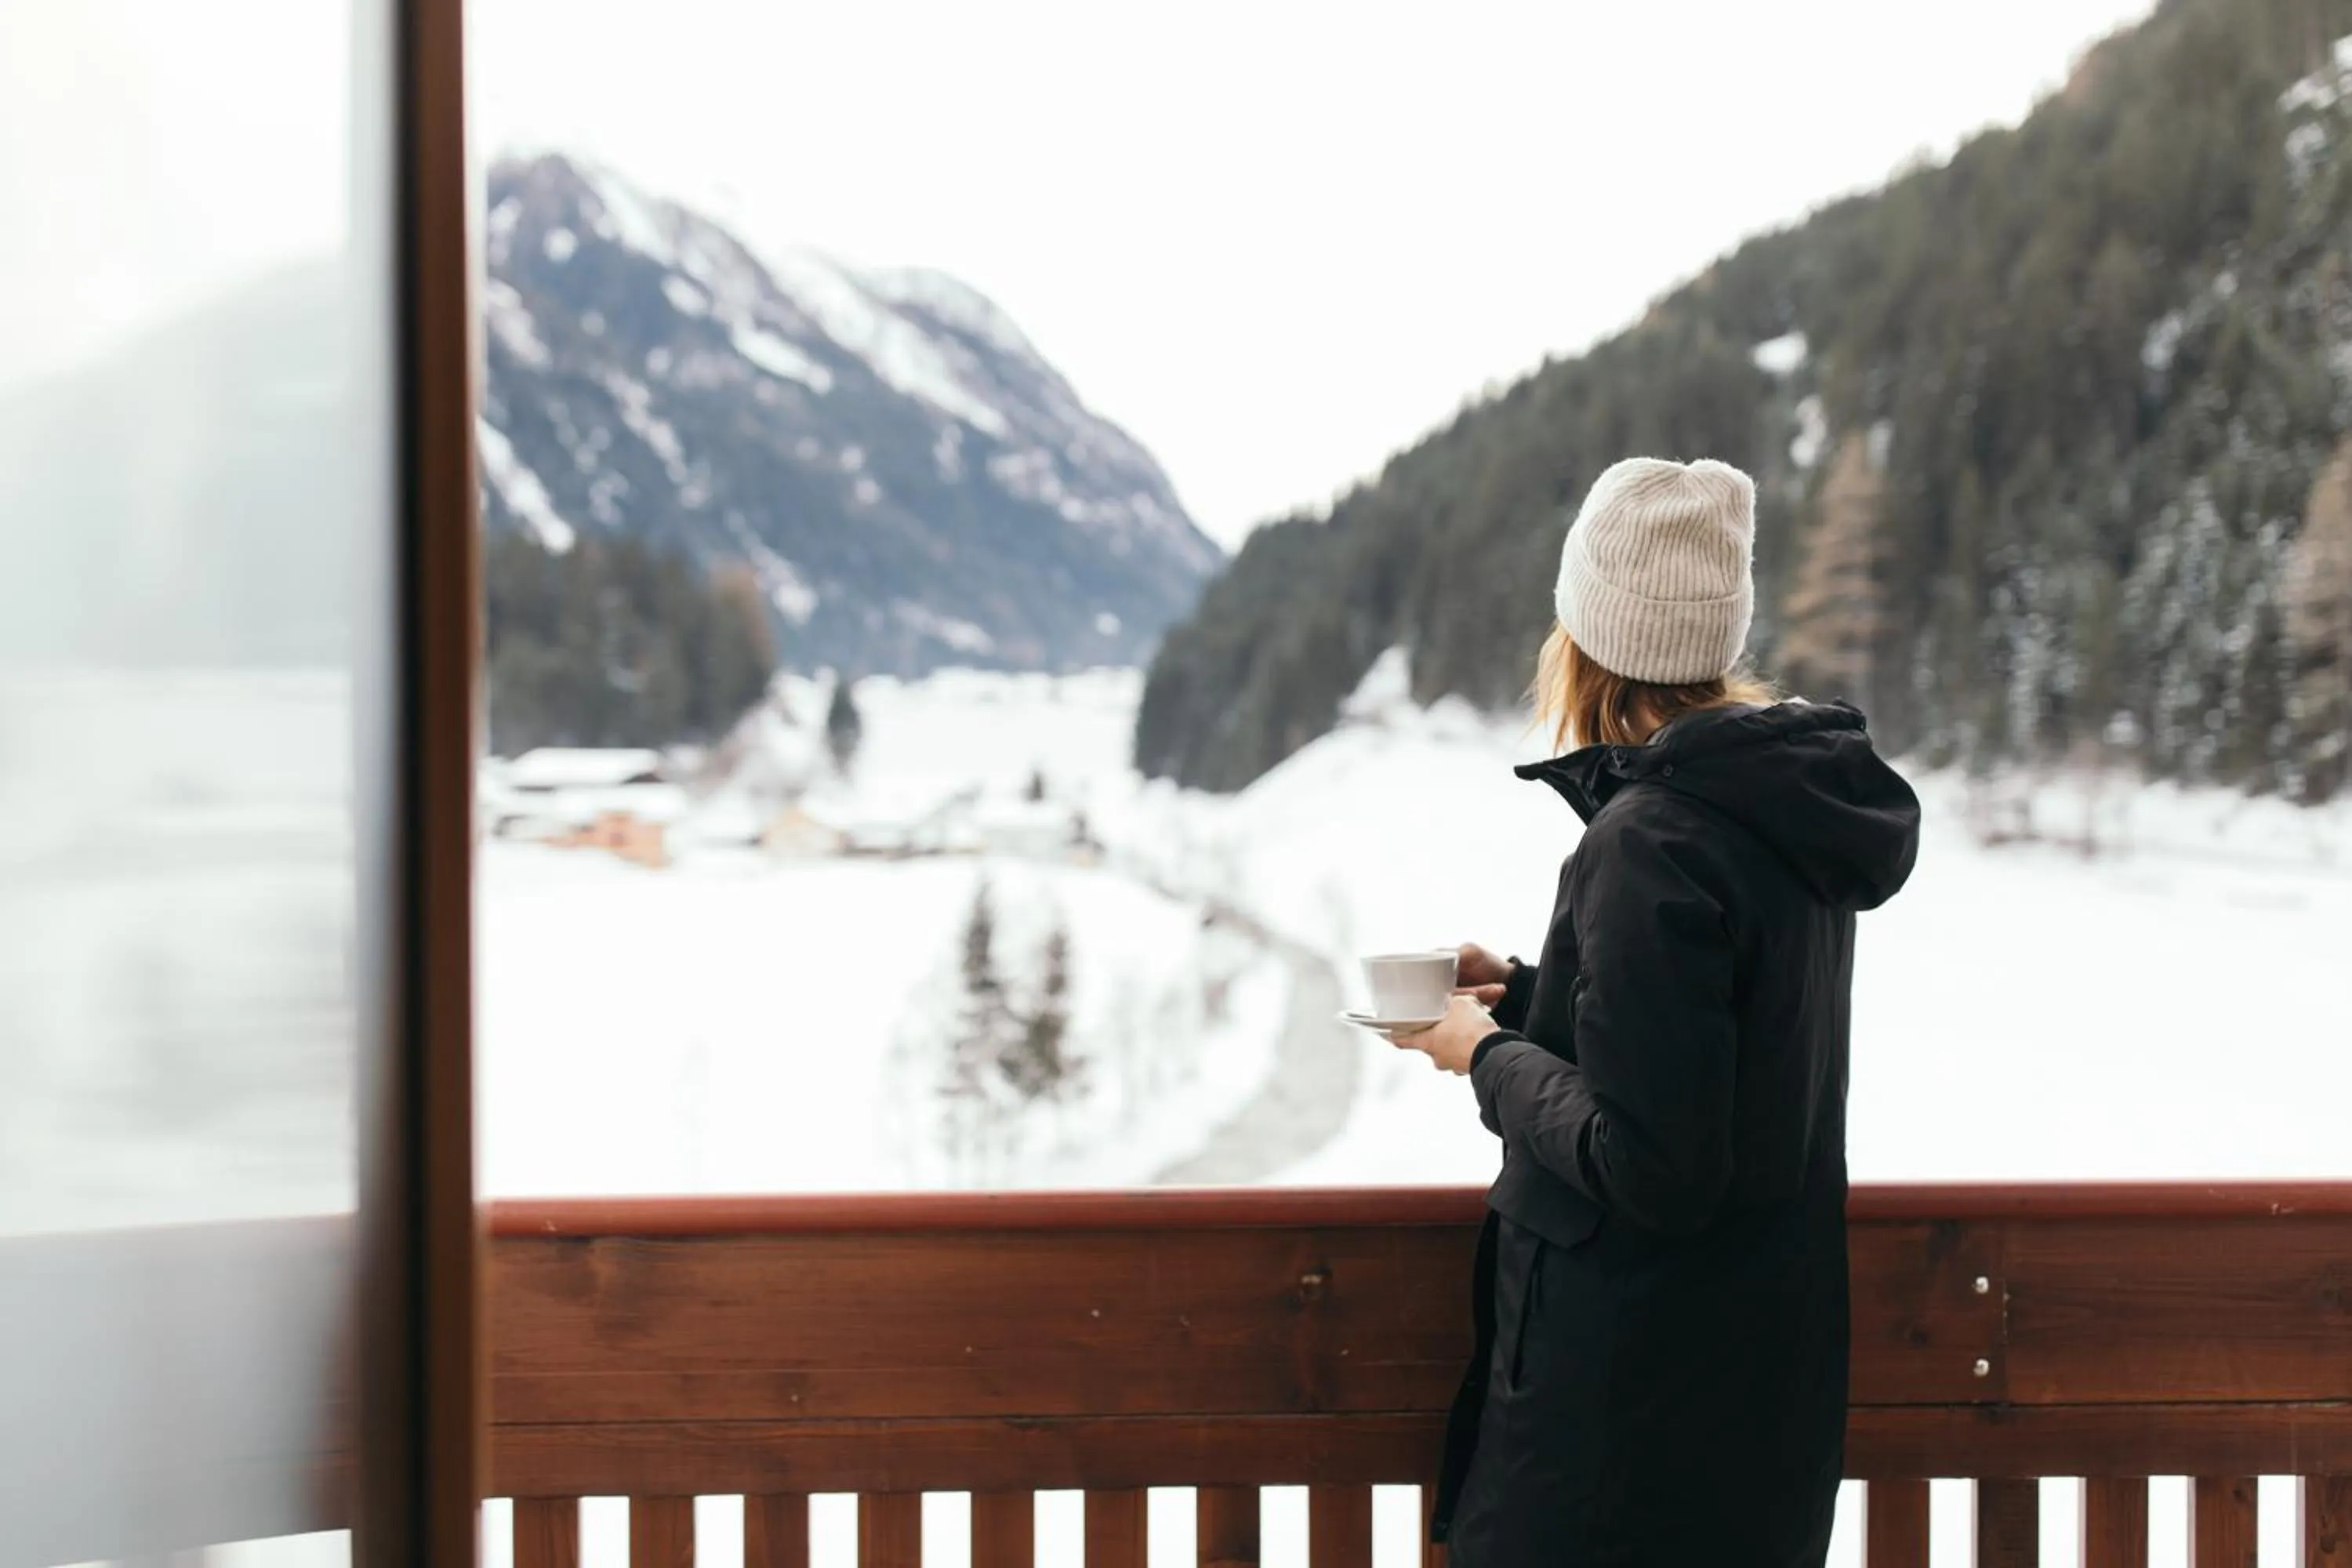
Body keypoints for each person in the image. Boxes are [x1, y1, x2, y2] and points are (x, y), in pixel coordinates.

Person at [1392, 457, 1922, 1567]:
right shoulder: (1781, 813)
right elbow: (1716, 1059)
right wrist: (1535, 994)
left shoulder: (1650, 842)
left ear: (1586, 631)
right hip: (1750, 1416)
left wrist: (1484, 1053)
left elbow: (1655, 1164)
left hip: (1620, 1443)